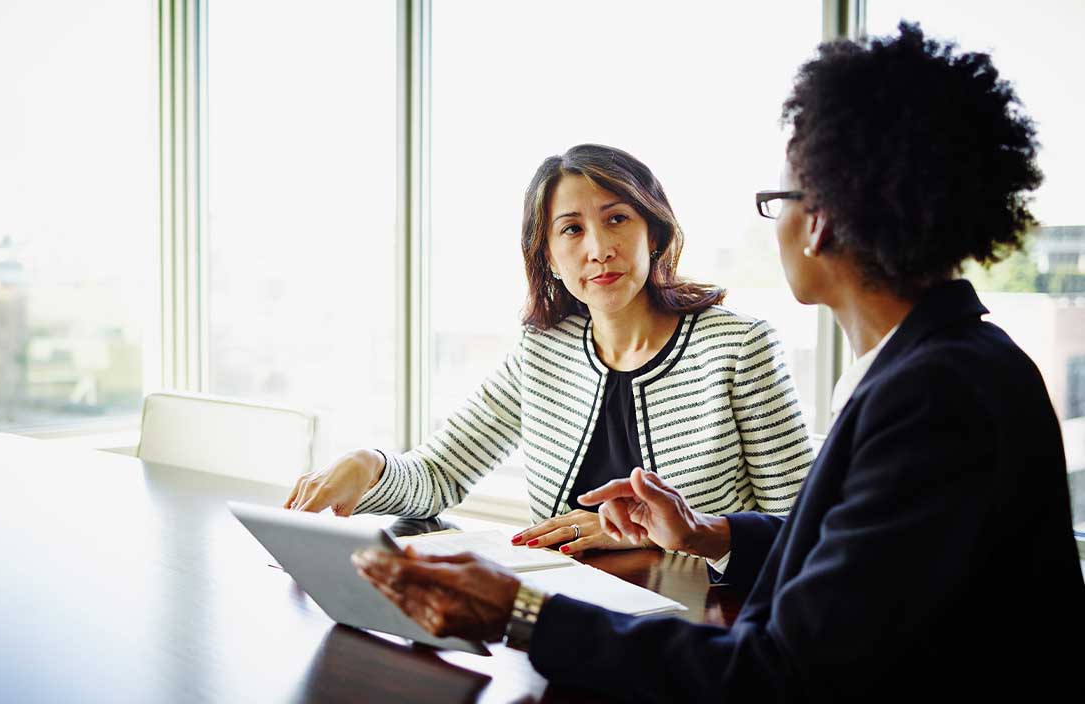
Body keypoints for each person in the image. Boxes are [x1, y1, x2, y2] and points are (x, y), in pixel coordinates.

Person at [354, 22, 1085, 701]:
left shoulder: (935, 396)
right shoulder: (935, 368)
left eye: (781, 198)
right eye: (570, 230)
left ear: (822, 219)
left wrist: (520, 615)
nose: (597, 246)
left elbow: (782, 674)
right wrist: (706, 533)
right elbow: (837, 556)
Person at [287, 143, 813, 553]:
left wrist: (645, 533)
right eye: (571, 229)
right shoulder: (543, 351)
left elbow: (803, 529)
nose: (598, 249)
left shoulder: (739, 348)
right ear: (548, 256)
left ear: (654, 231)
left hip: (707, 628)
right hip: (565, 617)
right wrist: (367, 465)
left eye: (617, 219)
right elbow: (440, 474)